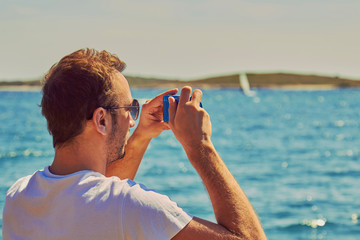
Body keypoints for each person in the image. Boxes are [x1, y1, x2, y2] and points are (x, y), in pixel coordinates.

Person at [3, 48, 266, 240]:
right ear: (101, 120)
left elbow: (93, 196)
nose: (132, 120)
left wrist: (140, 137)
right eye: (129, 108)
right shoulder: (130, 207)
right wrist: (200, 145)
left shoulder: (18, 197)